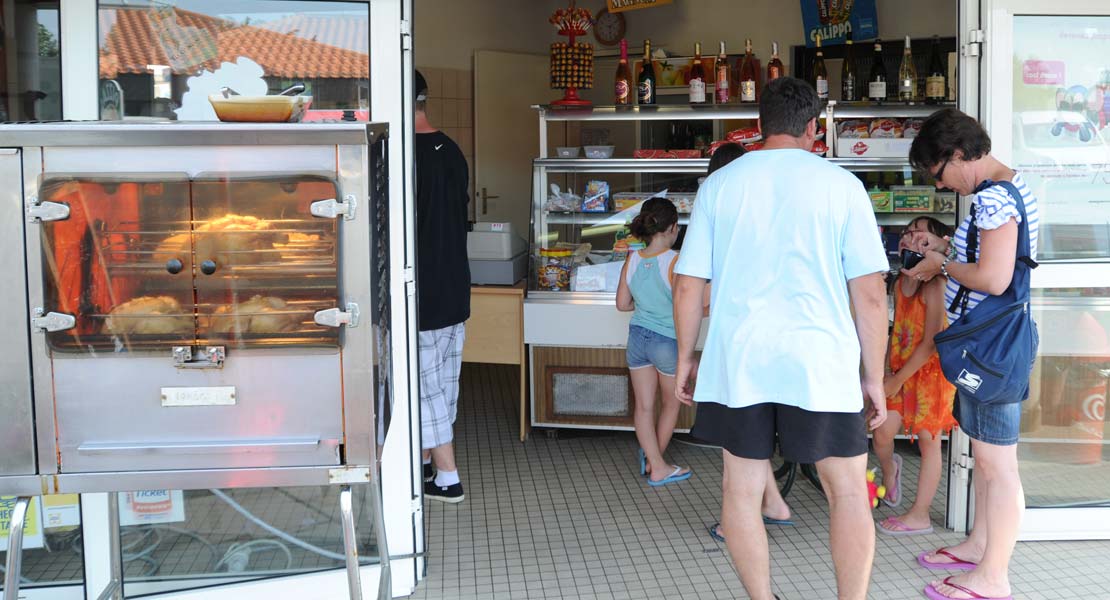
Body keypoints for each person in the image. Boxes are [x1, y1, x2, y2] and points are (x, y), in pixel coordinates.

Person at [673, 77, 890, 600]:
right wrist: (874, 378)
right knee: (848, 494)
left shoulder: (720, 186)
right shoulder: (841, 186)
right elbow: (870, 295)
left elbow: (688, 283)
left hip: (738, 359)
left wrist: (685, 357)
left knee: (741, 492)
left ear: (760, 126)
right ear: (814, 128)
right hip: (821, 362)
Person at [904, 107, 1039, 600]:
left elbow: (994, 278)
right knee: (986, 458)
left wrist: (942, 263)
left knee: (998, 465)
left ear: (959, 154)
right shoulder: (1007, 189)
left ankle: (993, 577)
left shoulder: (993, 201)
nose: (941, 186)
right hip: (992, 343)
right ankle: (980, 544)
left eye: (939, 173)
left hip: (992, 347)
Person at [699, 142, 795, 542]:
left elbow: (697, 291)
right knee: (754, 435)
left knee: (737, 441)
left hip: (739, 343)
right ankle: (774, 503)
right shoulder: (775, 211)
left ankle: (736, 519)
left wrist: (689, 352)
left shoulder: (721, 206)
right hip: (782, 341)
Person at [873, 216, 958, 537]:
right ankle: (889, 468)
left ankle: (920, 514)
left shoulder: (935, 283)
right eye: (907, 234)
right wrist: (882, 373)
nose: (909, 239)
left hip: (931, 376)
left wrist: (894, 380)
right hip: (898, 370)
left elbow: (932, 340)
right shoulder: (899, 281)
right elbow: (888, 331)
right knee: (881, 432)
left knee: (929, 443)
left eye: (919, 235)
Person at [414, 69, 472, 504]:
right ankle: (421, 467)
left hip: (425, 292)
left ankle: (447, 477)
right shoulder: (450, 150)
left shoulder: (405, 156)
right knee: (443, 385)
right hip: (454, 287)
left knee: (425, 389)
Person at [616, 197, 690, 486]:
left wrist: (645, 305)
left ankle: (654, 462)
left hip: (637, 338)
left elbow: (622, 304)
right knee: (671, 404)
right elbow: (686, 305)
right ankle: (656, 464)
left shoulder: (632, 258)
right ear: (673, 227)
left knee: (644, 407)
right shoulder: (676, 260)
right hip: (666, 340)